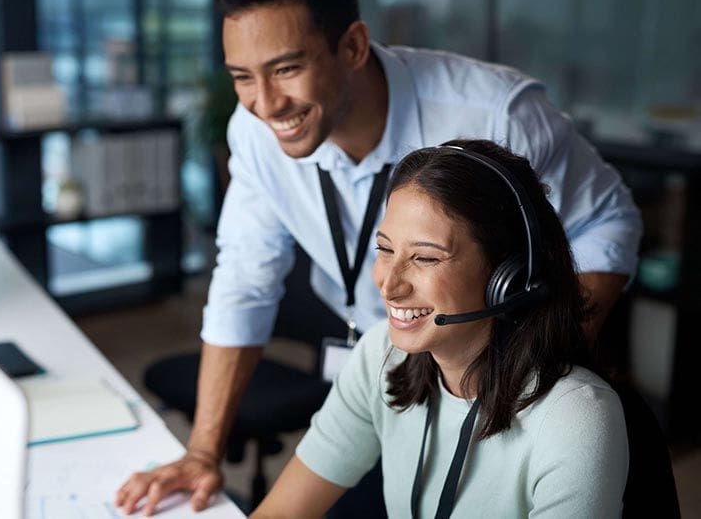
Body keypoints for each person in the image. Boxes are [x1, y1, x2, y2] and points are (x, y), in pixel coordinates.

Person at [115, 0, 641, 515]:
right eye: (242, 78)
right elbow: (244, 281)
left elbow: (606, 222)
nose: (266, 103)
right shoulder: (255, 132)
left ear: (353, 46)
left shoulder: (495, 114)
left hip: (495, 370)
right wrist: (204, 451)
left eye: (286, 69)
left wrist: (531, 366)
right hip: (393, 371)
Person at [251, 141, 629, 518]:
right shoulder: (381, 355)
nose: (389, 284)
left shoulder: (575, 418)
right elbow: (284, 511)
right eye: (385, 250)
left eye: (426, 257)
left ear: (509, 278)